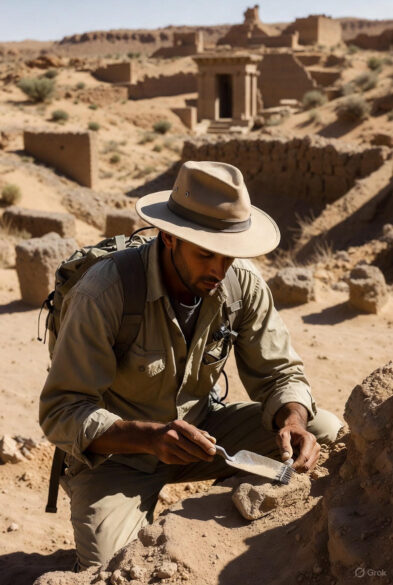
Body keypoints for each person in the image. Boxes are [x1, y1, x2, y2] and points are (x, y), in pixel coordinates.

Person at [39, 160, 342, 570]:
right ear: (169, 238)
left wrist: (293, 420)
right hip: (119, 454)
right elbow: (62, 411)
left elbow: (280, 373)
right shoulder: (106, 291)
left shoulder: (241, 283)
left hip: (204, 436)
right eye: (205, 254)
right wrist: (149, 438)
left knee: (326, 432)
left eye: (230, 256)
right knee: (116, 567)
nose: (219, 269)